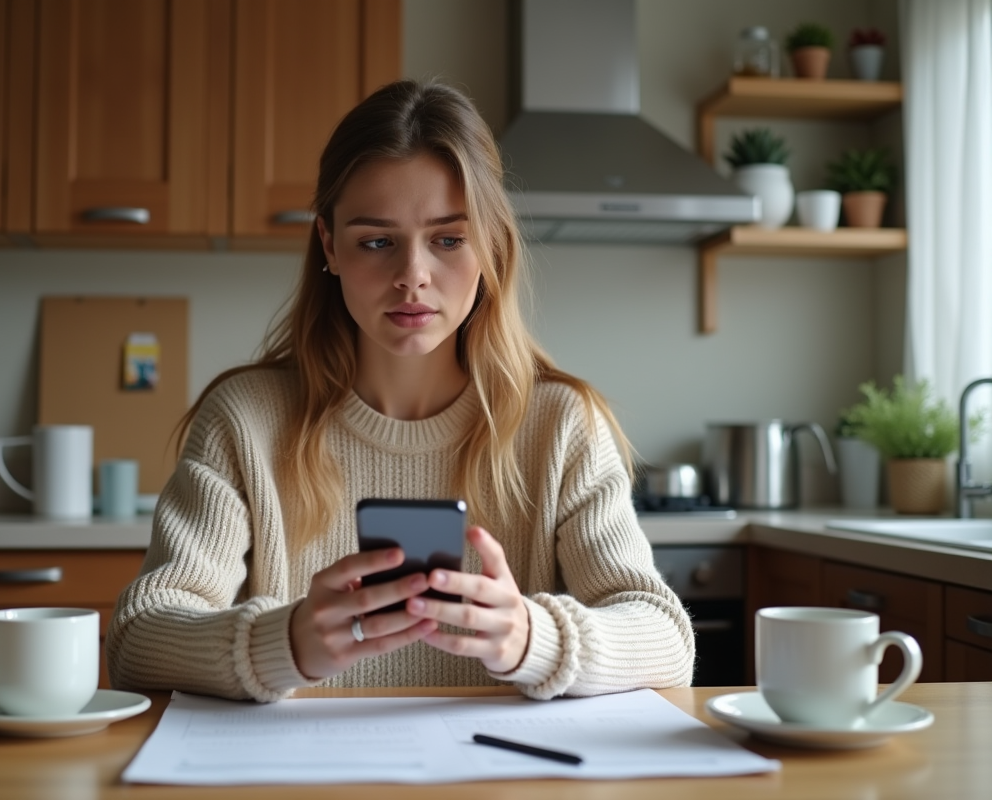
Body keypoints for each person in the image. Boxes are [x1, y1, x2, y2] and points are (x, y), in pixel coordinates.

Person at [107, 80, 694, 702]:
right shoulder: (245, 420)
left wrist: (532, 638)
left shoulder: (561, 425)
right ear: (330, 246)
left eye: (448, 239)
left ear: (491, 244)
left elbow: (667, 642)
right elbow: (137, 641)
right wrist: (287, 642)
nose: (412, 276)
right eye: (377, 242)